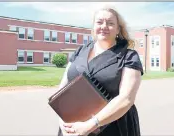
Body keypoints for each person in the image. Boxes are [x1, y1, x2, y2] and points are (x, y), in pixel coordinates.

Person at [57, 6, 143, 136]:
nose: (104, 26)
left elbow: (126, 98)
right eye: (99, 22)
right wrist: (62, 119)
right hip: (72, 125)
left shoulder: (129, 56)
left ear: (118, 29)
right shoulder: (80, 51)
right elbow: (62, 89)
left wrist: (91, 125)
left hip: (112, 127)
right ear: (93, 27)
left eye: (110, 23)